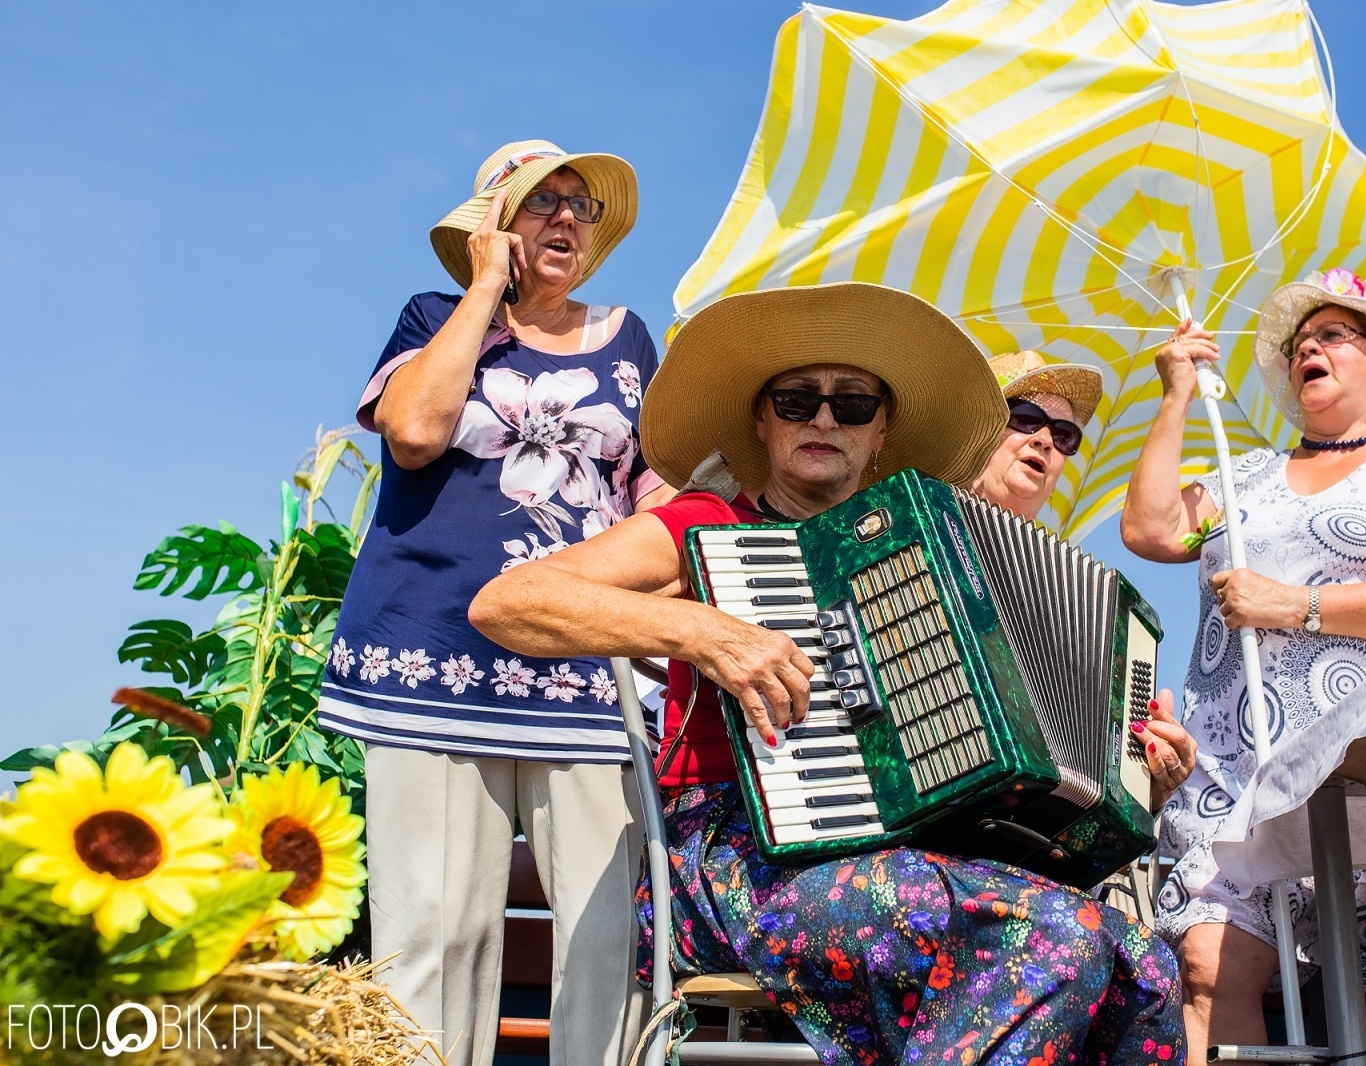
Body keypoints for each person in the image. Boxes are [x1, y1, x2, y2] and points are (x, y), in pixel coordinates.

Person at [470, 281, 1195, 1066]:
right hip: (730, 861)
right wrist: (701, 628)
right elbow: (510, 602)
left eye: (851, 405)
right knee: (1050, 936)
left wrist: (1144, 768)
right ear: (760, 419)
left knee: (1144, 966)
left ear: (881, 431)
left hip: (907, 862)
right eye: (795, 401)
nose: (823, 418)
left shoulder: (925, 556)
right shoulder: (709, 524)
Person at [317, 140, 671, 1066]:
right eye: (538, 202)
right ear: (492, 229)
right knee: (432, 932)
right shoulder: (433, 319)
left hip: (586, 668)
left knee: (606, 939)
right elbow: (417, 432)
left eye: (580, 206)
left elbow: (656, 496)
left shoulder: (631, 338)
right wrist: (481, 295)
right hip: (429, 655)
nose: (564, 218)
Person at [1119, 269, 1366, 1060]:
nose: (1308, 351)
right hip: (1241, 773)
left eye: (1332, 336)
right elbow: (1152, 528)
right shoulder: (1245, 471)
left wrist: (1297, 604)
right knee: (1207, 968)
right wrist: (1178, 395)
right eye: (1300, 344)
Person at [971, 350, 1102, 522]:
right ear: (975, 434)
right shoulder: (924, 509)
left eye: (1064, 435)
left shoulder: (1048, 550)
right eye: (1026, 418)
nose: (1046, 440)